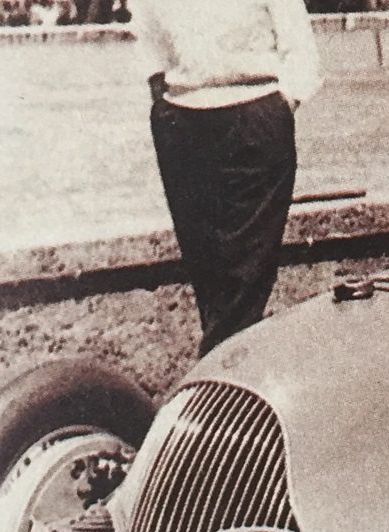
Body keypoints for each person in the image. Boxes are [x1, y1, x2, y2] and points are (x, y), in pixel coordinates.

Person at [132, 0, 321, 356]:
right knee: (207, 271)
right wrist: (163, 102)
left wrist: (282, 106)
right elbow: (147, 37)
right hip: (182, 120)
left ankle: (216, 383)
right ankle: (226, 378)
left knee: (247, 273)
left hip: (255, 114)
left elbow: (299, 45)